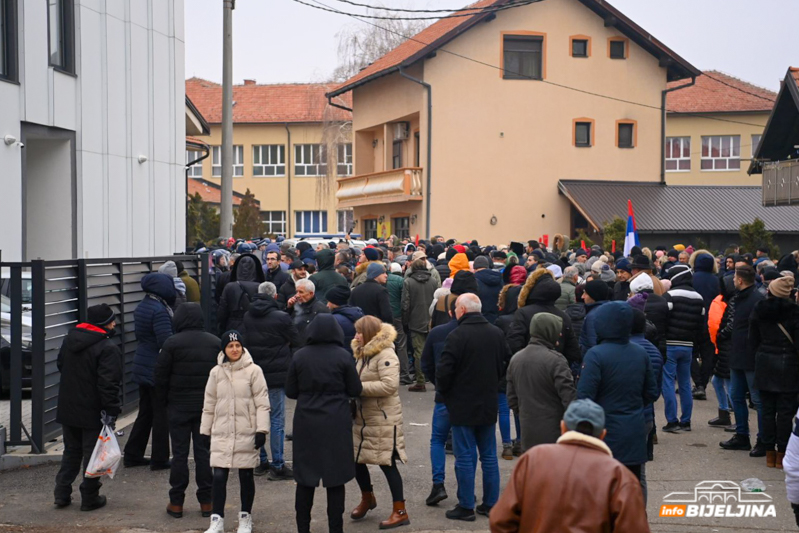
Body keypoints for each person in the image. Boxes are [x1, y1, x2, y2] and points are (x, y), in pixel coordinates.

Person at [489, 399, 651, 533]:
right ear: (602, 435)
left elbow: (500, 521)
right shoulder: (620, 476)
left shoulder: (533, 459)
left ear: (563, 427)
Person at [286, 314, 363, 533]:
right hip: (335, 421)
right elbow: (355, 389)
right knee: (335, 478)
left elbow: (290, 391)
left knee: (305, 479)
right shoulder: (342, 356)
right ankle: (335, 529)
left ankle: (303, 528)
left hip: (306, 421)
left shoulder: (300, 356)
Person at [436, 293, 508, 521]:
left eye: (456, 308)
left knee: (465, 456)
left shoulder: (457, 335)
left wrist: (446, 394)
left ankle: (466, 505)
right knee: (488, 456)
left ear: (463, 311)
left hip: (462, 403)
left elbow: (444, 372)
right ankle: (491, 503)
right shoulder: (496, 333)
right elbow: (505, 362)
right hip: (487, 401)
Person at [577, 302, 659, 485]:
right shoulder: (640, 353)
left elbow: (584, 397)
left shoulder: (595, 355)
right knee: (631, 486)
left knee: (603, 489)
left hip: (603, 432)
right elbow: (652, 392)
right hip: (634, 430)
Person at [53, 304, 123, 511]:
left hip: (68, 407)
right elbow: (108, 384)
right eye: (112, 321)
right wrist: (112, 411)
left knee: (71, 451)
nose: (114, 324)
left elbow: (60, 365)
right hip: (93, 411)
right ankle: (90, 497)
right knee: (93, 455)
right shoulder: (107, 348)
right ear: (104, 324)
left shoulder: (70, 340)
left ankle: (61, 493)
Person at [200, 331, 270, 533]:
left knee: (246, 476)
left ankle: (245, 517)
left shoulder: (254, 371)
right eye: (230, 346)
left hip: (245, 432)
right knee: (219, 476)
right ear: (224, 349)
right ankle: (217, 519)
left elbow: (262, 403)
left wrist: (261, 430)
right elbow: (209, 403)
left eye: (238, 345)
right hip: (221, 431)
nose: (234, 349)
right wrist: (205, 431)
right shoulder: (215, 373)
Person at [154, 303, 219, 518]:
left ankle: (176, 502)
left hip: (178, 406)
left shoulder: (171, 344)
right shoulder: (214, 343)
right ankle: (207, 502)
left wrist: (162, 404)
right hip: (205, 409)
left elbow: (161, 378)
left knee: (179, 454)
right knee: (204, 454)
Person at [350, 317, 410, 529]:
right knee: (357, 459)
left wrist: (358, 388)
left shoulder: (386, 354)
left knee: (387, 463)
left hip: (383, 418)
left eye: (359, 332)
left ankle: (400, 511)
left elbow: (389, 386)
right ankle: (368, 498)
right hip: (363, 416)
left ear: (369, 333)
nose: (356, 336)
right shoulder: (362, 353)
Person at [242, 282, 302, 480]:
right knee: (276, 419)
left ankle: (262, 460)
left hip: (254, 373)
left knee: (256, 418)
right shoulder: (281, 317)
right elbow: (297, 340)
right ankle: (278, 464)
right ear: (275, 296)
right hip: (277, 374)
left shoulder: (248, 316)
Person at [126, 272, 175, 470]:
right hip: (155, 366)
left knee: (145, 412)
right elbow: (166, 341)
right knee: (161, 414)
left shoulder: (143, 305)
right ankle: (160, 458)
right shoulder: (160, 310)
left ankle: (132, 453)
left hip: (142, 362)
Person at [507, 313, 576, 451]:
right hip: (554, 431)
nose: (560, 335)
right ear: (550, 332)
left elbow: (512, 398)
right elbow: (569, 397)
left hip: (528, 430)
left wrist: (524, 413)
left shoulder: (516, 359)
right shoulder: (557, 360)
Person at [750, 276, 799, 468]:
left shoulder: (759, 310)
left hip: (764, 363)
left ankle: (769, 452)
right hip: (789, 366)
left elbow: (752, 340)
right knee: (786, 412)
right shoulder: (795, 313)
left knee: (767, 410)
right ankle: (782, 453)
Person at [720, 264, 766, 455]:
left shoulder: (757, 299)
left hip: (751, 356)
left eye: (734, 278)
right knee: (736, 396)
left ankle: (763, 440)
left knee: (757, 400)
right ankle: (742, 435)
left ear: (740, 280)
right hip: (737, 354)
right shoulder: (739, 298)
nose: (732, 281)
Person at [420, 297, 460, 507]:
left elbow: (425, 364)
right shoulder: (480, 331)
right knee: (465, 443)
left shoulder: (437, 333)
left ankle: (438, 484)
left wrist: (438, 383)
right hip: (467, 397)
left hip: (444, 395)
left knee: (437, 439)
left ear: (451, 312)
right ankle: (465, 489)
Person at [660, 264, 704, 433]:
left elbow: (664, 320)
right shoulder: (699, 298)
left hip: (670, 344)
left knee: (668, 383)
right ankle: (686, 420)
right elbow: (701, 326)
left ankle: (672, 420)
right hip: (688, 346)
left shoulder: (669, 296)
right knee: (685, 383)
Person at [507, 269, 580, 365]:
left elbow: (514, 343)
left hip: (528, 367)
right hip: (555, 370)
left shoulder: (523, 313)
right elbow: (573, 351)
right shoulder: (563, 316)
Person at [402, 257, 438, 392]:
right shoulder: (434, 281)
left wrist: (406, 320)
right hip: (431, 319)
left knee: (418, 351)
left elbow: (405, 304)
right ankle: (436, 380)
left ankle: (420, 381)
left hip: (415, 319)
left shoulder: (408, 282)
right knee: (434, 350)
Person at [217, 253, 265, 334]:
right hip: (255, 326)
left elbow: (222, 311)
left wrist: (221, 328)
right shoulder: (260, 287)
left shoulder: (230, 287)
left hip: (233, 326)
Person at [287, 278, 329, 343]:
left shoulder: (321, 309)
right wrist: (289, 308)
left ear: (311, 293)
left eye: (301, 292)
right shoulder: (296, 305)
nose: (297, 295)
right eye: (296, 292)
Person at [327, 285, 364, 353]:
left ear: (335, 302)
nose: (327, 305)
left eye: (329, 301)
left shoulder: (333, 319)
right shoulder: (359, 314)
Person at [579, 279, 610, 357]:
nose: (582, 296)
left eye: (585, 293)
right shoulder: (608, 309)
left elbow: (593, 344)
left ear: (594, 295)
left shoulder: (593, 316)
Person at [474, 255, 503, 324]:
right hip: (498, 319)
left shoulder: (473, 281)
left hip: (480, 320)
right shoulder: (500, 278)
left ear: (474, 268)